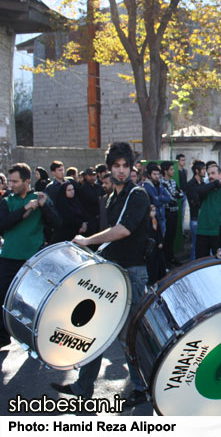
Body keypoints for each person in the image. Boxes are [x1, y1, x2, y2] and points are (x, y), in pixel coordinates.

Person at [50, 141, 152, 406]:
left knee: (128, 334)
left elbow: (123, 230)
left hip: (132, 272)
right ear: (109, 169)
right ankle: (84, 387)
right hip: (112, 271)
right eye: (116, 166)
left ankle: (143, 388)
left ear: (131, 168)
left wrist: (87, 241)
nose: (120, 171)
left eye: (125, 166)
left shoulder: (137, 194)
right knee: (97, 328)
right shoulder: (111, 198)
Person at [0, 163, 60, 348]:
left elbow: (57, 222)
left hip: (32, 260)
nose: (11, 185)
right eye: (10, 181)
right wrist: (25, 209)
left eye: (15, 181)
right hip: (9, 257)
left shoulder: (40, 198)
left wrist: (43, 207)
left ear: (27, 181)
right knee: (2, 297)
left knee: (35, 301)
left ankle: (37, 338)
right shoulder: (7, 201)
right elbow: (4, 224)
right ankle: (3, 337)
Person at [195, 164, 221, 259]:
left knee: (219, 263)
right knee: (200, 263)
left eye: (213, 173)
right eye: (208, 174)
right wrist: (216, 183)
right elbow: (199, 192)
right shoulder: (205, 188)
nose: (210, 176)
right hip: (202, 231)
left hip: (218, 232)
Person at [160, 161, 184, 267]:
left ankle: (171, 258)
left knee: (172, 236)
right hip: (166, 212)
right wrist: (174, 195)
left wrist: (175, 195)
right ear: (165, 171)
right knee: (166, 237)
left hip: (174, 211)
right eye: (171, 169)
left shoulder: (173, 182)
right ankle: (165, 260)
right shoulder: (161, 183)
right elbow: (169, 198)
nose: (173, 171)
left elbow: (180, 194)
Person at [184, 160, 207, 260]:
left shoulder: (202, 184)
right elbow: (197, 201)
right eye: (203, 169)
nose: (205, 172)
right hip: (195, 219)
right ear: (197, 171)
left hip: (204, 218)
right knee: (195, 245)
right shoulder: (191, 184)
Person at [142, 163, 171, 238]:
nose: (157, 176)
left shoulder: (160, 185)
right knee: (153, 242)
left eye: (158, 174)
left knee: (162, 240)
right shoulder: (146, 186)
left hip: (162, 217)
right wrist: (161, 198)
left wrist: (159, 197)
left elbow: (168, 198)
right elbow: (155, 201)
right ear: (149, 175)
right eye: (154, 174)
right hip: (152, 218)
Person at [78, 167, 103, 236]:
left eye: (94, 175)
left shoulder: (98, 187)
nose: (92, 177)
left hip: (99, 218)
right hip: (89, 219)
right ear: (86, 176)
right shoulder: (83, 188)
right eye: (90, 175)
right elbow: (95, 199)